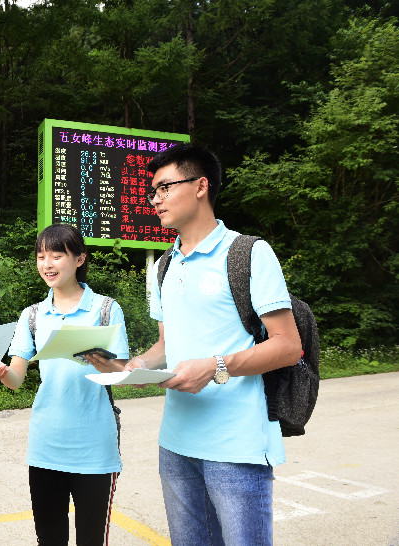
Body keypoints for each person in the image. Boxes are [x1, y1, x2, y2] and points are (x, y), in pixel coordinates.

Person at [126, 143, 302, 545]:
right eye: (152, 192)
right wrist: (135, 366)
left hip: (236, 446)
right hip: (175, 444)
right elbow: (167, 345)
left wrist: (214, 367)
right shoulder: (163, 267)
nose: (156, 200)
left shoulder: (249, 253)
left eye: (165, 188)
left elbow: (288, 346)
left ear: (201, 185)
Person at [0, 223, 130, 546]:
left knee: (91, 541)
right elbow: (16, 379)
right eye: (41, 256)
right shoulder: (33, 315)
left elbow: (121, 376)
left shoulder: (106, 309)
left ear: (80, 259)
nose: (47, 264)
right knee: (49, 539)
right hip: (46, 447)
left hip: (95, 448)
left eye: (56, 255)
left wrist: (100, 360)